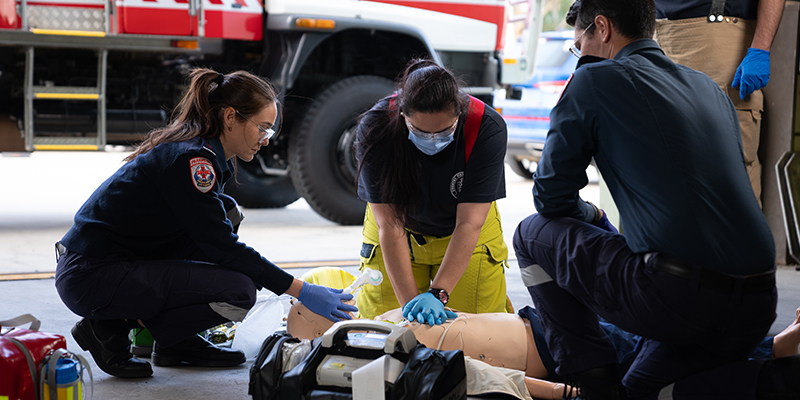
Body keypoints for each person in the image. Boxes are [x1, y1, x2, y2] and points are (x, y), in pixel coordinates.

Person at [512, 0, 800, 399]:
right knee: (639, 391)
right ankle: (773, 384)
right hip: (757, 303)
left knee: (531, 233)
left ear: (602, 27)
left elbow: (550, 198)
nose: (581, 56)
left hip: (679, 299)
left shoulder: (593, 81)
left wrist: (592, 214)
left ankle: (591, 380)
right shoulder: (707, 88)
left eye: (580, 45)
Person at [54, 68, 357, 379]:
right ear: (230, 117)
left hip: (107, 265)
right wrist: (300, 289)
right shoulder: (191, 161)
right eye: (262, 128)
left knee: (227, 214)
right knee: (238, 291)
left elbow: (216, 235)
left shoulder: (205, 153)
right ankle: (107, 327)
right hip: (92, 277)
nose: (266, 141)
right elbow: (221, 245)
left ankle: (174, 342)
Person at [286, 296, 800, 400]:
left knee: (656, 340)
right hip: (556, 354)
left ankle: (771, 351)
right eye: (307, 317)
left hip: (547, 329)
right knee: (657, 351)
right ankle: (772, 351)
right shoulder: (369, 362)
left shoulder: (371, 333)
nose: (337, 308)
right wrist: (563, 395)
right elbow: (467, 377)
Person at [354, 59, 510, 324]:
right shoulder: (376, 127)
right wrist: (411, 311)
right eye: (420, 131)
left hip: (466, 230)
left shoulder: (486, 127)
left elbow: (470, 223)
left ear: (458, 114)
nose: (434, 139)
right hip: (394, 226)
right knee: (382, 329)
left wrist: (438, 294)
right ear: (403, 115)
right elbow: (390, 226)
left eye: (445, 131)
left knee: (475, 332)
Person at [653, 0, 786, 205]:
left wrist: (760, 48)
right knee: (661, 182)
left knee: (729, 193)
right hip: (651, 40)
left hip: (718, 42)